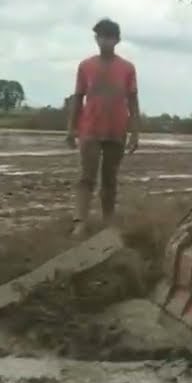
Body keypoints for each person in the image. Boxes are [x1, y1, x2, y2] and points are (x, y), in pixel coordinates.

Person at [65, 18, 141, 236]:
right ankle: (80, 221)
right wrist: (71, 129)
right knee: (86, 177)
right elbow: (78, 98)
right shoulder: (85, 66)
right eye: (101, 37)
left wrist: (135, 133)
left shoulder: (127, 68)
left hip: (117, 130)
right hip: (90, 129)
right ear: (96, 39)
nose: (105, 41)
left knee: (110, 179)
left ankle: (107, 222)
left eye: (109, 37)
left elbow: (133, 102)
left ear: (117, 40)